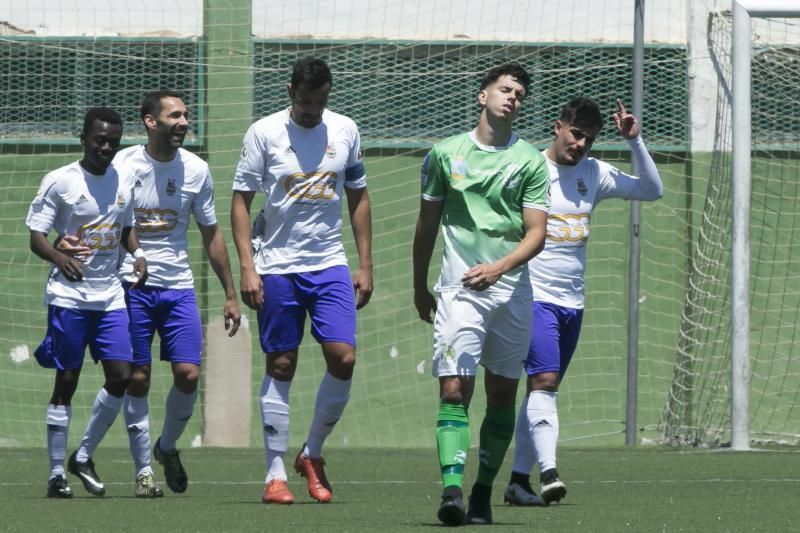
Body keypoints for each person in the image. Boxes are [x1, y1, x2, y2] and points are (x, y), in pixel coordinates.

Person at [58, 90, 243, 497]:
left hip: (178, 288)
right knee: (137, 378)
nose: (183, 122)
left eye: (186, 115)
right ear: (150, 121)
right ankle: (144, 472)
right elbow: (95, 212)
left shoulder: (196, 170)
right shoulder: (123, 165)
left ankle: (167, 447)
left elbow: (211, 233)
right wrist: (67, 243)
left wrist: (231, 292)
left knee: (188, 374)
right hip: (130, 285)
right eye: (174, 115)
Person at [503, 97, 663, 507]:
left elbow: (651, 189)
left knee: (541, 392)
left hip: (572, 304)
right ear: (558, 127)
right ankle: (550, 473)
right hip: (532, 297)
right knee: (545, 382)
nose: (581, 144)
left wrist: (635, 141)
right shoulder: (530, 167)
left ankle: (518, 481)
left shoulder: (595, 173)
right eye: (576, 134)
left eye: (589, 138)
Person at [412, 62, 551, 526]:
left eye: (519, 94)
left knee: (501, 395)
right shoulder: (444, 154)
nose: (512, 97)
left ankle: (483, 492)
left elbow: (536, 234)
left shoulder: (531, 160)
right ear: (482, 95)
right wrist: (419, 285)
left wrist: (499, 267)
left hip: (512, 293)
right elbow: (426, 226)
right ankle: (451, 491)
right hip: (458, 290)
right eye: (505, 89)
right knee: (453, 389)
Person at [230, 57, 373, 505]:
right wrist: (248, 268)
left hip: (329, 263)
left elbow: (358, 196)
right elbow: (240, 202)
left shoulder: (345, 130)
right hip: (275, 266)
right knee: (282, 365)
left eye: (321, 101)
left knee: (343, 358)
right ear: (291, 91)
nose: (313, 110)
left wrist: (365, 264)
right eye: (306, 102)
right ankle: (275, 474)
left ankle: (311, 453)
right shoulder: (264, 132)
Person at [27, 107, 147, 498]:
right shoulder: (61, 181)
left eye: (113, 141)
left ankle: (84, 454)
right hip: (69, 297)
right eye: (99, 139)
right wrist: (60, 257)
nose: (106, 147)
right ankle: (56, 473)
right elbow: (38, 236)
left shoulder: (123, 180)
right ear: (84, 138)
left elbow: (125, 228)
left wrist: (139, 254)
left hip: (110, 295)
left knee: (122, 376)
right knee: (67, 380)